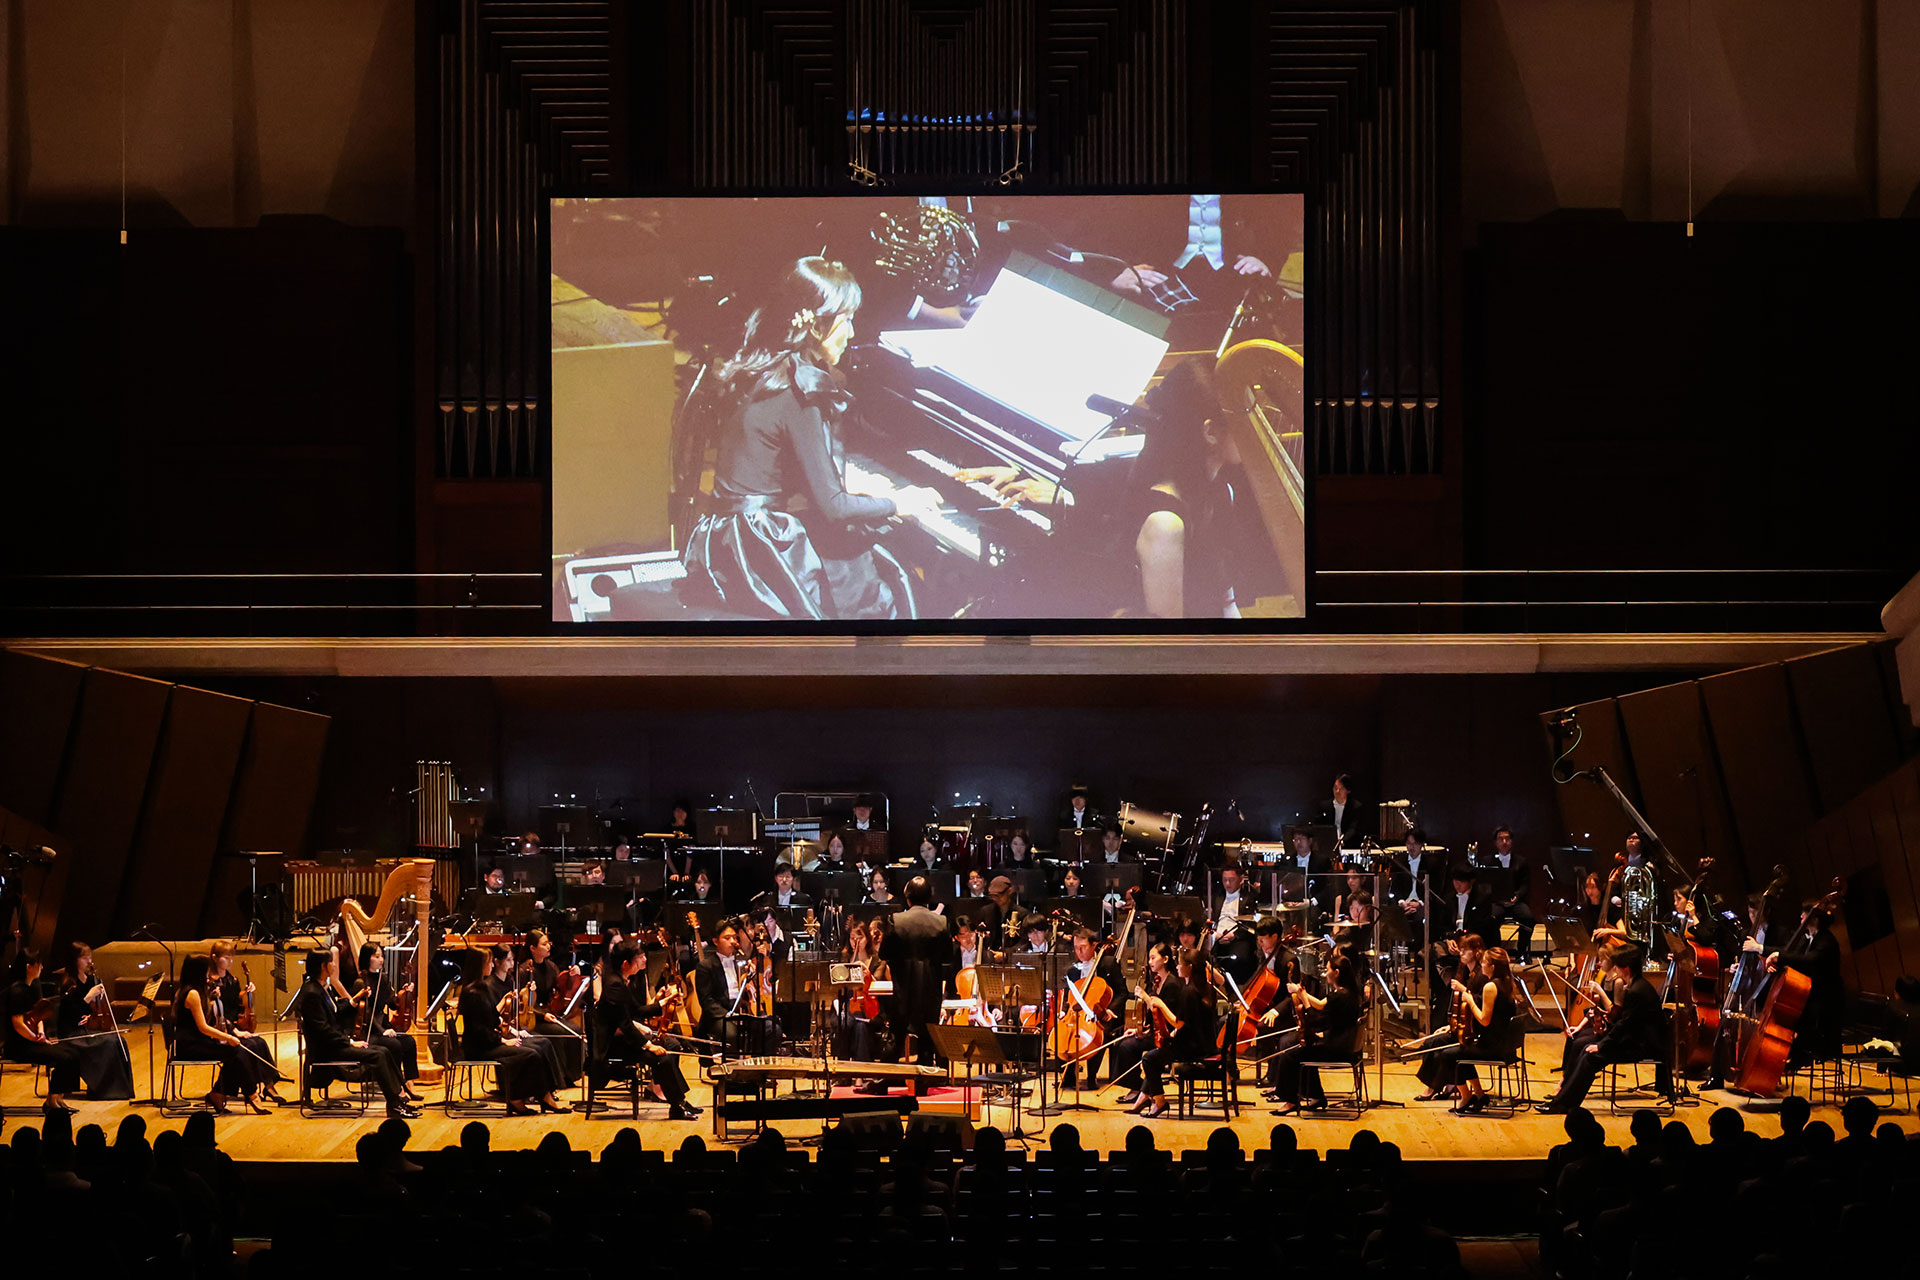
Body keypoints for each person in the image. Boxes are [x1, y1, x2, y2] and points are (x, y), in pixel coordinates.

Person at [681, 256, 944, 619]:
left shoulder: (767, 364)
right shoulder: (800, 390)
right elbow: (834, 508)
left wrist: (870, 498)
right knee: (882, 586)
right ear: (817, 326)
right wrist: (898, 502)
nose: (852, 333)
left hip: (725, 536)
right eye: (847, 319)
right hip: (758, 547)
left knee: (865, 553)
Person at [1537, 948, 1670, 1114]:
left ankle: (1563, 1103)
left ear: (1626, 969)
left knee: (1590, 1056)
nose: (1615, 969)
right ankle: (1562, 1101)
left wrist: (1601, 1045)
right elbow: (1625, 1024)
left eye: (1618, 967)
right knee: (1586, 1051)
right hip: (1636, 1040)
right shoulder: (1637, 986)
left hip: (1644, 1047)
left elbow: (1624, 1025)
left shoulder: (1636, 991)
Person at [297, 950, 419, 1119]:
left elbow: (336, 1011)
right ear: (323, 966)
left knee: (384, 1051)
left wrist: (354, 1000)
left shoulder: (322, 987)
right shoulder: (311, 993)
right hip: (327, 1049)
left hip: (335, 1044)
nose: (334, 965)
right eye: (331, 962)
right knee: (378, 1055)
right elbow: (322, 1030)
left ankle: (397, 1101)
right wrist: (349, 1042)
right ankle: (393, 1105)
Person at [595, 940, 698, 1120]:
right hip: (612, 1046)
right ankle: (676, 1106)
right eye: (640, 958)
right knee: (662, 1058)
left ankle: (679, 1101)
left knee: (670, 1047)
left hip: (624, 1040)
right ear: (626, 964)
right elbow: (625, 1024)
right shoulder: (614, 984)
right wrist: (648, 1045)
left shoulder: (621, 980)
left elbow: (637, 1010)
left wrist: (665, 1002)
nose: (644, 960)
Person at [457, 945, 565, 1116]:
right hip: (479, 1048)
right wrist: (503, 1040)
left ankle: (543, 1096)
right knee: (529, 1053)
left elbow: (492, 1018)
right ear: (479, 965)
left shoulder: (481, 989)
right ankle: (519, 1099)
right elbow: (479, 1030)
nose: (492, 966)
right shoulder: (472, 993)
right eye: (488, 963)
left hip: (488, 1042)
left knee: (535, 1049)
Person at [1420, 947, 1521, 1115]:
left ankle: (1467, 1096)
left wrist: (1469, 999)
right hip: (1504, 1044)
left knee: (1448, 1054)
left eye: (1484, 962)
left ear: (1492, 966)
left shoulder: (1490, 987)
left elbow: (1484, 1019)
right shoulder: (1506, 982)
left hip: (1492, 1047)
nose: (1481, 965)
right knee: (1458, 1049)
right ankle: (1480, 1095)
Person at [170, 955, 276, 1114]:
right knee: (236, 1052)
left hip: (200, 1042)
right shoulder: (191, 994)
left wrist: (213, 1001)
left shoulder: (198, 991)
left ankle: (218, 1093)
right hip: (190, 1045)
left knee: (238, 1050)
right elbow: (203, 1027)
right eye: (206, 972)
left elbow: (210, 1019)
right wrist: (229, 1037)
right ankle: (251, 1093)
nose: (209, 975)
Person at [1266, 953, 1364, 1115]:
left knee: (1290, 1056)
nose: (1326, 973)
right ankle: (1316, 1096)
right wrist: (1300, 993)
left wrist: (1303, 999)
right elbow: (1323, 1008)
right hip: (1343, 1044)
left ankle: (1290, 1101)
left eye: (1328, 970)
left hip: (1337, 1049)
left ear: (1337, 973)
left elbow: (1316, 1020)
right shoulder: (1348, 993)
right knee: (1302, 1050)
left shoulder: (1339, 996)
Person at [1126, 945, 1217, 1118]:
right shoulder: (1205, 988)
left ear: (1189, 967)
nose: (1177, 967)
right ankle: (1146, 1097)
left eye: (1180, 964)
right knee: (1157, 1054)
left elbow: (1179, 1022)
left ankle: (1159, 1101)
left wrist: (1160, 1004)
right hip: (1204, 1043)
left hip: (1193, 1047)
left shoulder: (1188, 992)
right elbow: (1192, 1022)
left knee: (1149, 1058)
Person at [878, 876, 950, 1065]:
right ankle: (923, 1083)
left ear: (907, 898)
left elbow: (884, 953)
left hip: (903, 987)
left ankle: (883, 1081)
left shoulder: (896, 920)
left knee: (895, 1035)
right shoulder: (941, 922)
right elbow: (947, 957)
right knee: (926, 1040)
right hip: (930, 989)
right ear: (929, 898)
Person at [54, 942, 133, 1101]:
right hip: (72, 1033)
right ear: (74, 959)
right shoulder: (69, 984)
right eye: (85, 957)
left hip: (87, 1030)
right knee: (108, 1043)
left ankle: (122, 1089)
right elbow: (71, 1015)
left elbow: (89, 1012)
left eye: (90, 956)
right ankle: (105, 1089)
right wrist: (89, 996)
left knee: (119, 1040)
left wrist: (94, 1013)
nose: (89, 961)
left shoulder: (90, 980)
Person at [7, 948, 81, 1115]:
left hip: (33, 1040)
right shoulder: (17, 991)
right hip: (20, 1045)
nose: (41, 967)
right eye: (38, 964)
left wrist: (41, 1033)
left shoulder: (34, 986)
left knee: (74, 1052)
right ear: (28, 967)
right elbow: (18, 1024)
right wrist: (35, 1038)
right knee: (64, 1057)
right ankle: (51, 1102)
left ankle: (57, 1098)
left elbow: (38, 1015)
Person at [209, 942, 285, 1103]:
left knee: (259, 1042)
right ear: (215, 958)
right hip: (220, 1029)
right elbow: (215, 1013)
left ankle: (269, 1084)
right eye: (226, 958)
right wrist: (234, 1031)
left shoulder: (232, 980)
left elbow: (236, 1005)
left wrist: (247, 993)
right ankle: (249, 1089)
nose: (230, 961)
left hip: (233, 1025)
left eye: (232, 958)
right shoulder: (210, 982)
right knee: (247, 1047)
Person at [350, 943, 423, 1100]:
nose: (381, 959)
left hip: (382, 1027)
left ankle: (409, 1082)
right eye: (376, 956)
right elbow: (366, 1015)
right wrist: (382, 1031)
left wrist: (405, 993)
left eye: (381, 956)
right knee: (394, 1045)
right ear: (366, 959)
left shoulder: (382, 978)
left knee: (409, 1041)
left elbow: (392, 1003)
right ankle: (397, 1087)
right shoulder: (360, 983)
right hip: (368, 1031)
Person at [514, 929, 586, 1086]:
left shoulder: (551, 967)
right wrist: (542, 1015)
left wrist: (573, 976)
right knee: (560, 1033)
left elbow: (560, 988)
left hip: (549, 1012)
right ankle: (559, 1079)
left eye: (549, 943)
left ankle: (571, 1075)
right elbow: (522, 1003)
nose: (548, 947)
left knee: (575, 1029)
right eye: (544, 944)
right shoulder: (523, 970)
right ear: (532, 948)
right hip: (533, 1017)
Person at [1061, 927, 1127, 1089]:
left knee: (1098, 1033)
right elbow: (1068, 996)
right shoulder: (1073, 970)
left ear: (1094, 945)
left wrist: (1111, 1010)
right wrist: (1063, 1012)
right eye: (1076, 948)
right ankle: (1068, 1076)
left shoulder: (1108, 964)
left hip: (1103, 1014)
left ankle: (1092, 1077)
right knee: (1062, 1033)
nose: (1079, 951)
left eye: (1083, 947)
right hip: (1077, 1015)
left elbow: (1122, 993)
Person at [1488, 826, 1535, 960]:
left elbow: (1525, 884)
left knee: (1529, 919)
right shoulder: (1488, 861)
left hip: (1516, 902)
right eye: (1500, 839)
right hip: (1497, 902)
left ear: (1511, 841)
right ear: (1495, 842)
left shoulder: (1521, 861)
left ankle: (1521, 951)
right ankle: (1497, 953)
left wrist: (1517, 896)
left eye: (1507, 839)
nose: (1504, 842)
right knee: (1490, 919)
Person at [1326, 773, 1362, 847]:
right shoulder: (1325, 806)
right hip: (1328, 843)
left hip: (1348, 844)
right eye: (1335, 788)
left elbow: (1353, 828)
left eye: (1341, 788)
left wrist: (1343, 840)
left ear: (1348, 791)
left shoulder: (1355, 807)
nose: (1337, 791)